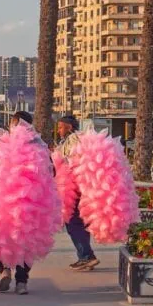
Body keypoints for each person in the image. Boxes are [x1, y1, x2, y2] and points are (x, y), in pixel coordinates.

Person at [0, 111, 36, 295]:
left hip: (3, 202)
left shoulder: (4, 143)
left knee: (0, 237)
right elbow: (51, 173)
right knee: (26, 244)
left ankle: (4, 270)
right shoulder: (39, 145)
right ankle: (21, 282)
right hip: (33, 205)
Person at [56, 114, 99, 272]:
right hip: (77, 186)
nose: (58, 130)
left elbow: (72, 161)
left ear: (68, 127)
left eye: (60, 127)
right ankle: (86, 255)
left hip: (73, 188)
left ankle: (86, 256)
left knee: (73, 223)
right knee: (78, 223)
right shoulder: (72, 139)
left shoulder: (73, 139)